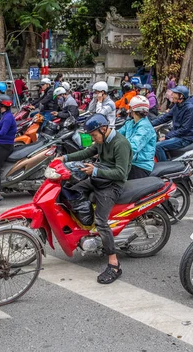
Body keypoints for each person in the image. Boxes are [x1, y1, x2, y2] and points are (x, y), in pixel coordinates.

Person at [56, 114, 132, 284]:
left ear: (103, 129)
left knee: (101, 222)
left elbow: (121, 173)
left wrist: (95, 171)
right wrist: (65, 158)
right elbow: (88, 151)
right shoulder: (101, 140)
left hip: (113, 185)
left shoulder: (120, 144)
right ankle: (86, 230)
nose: (93, 138)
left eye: (94, 135)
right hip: (99, 179)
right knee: (71, 192)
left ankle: (114, 263)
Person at [151, 85, 193, 161]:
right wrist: (150, 123)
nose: (172, 95)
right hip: (178, 135)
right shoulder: (177, 106)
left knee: (158, 146)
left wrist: (167, 137)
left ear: (181, 96)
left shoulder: (189, 109)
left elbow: (184, 129)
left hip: (185, 138)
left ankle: (165, 169)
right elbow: (165, 117)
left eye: (174, 93)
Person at [118, 96, 156, 179]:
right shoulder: (130, 123)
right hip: (130, 162)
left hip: (140, 165)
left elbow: (133, 147)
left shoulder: (145, 127)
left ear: (132, 109)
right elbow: (117, 135)